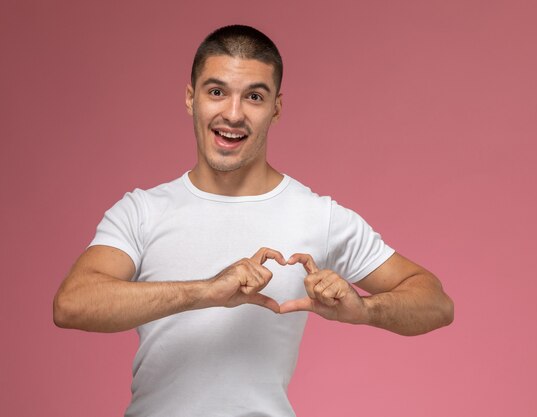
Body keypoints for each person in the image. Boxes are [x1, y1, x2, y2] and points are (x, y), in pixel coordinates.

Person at [53, 25, 454, 417]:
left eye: (254, 97)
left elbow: (435, 303)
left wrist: (366, 311)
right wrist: (205, 291)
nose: (233, 113)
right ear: (191, 99)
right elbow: (72, 304)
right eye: (216, 92)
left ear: (275, 109)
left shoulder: (317, 215)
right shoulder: (141, 211)